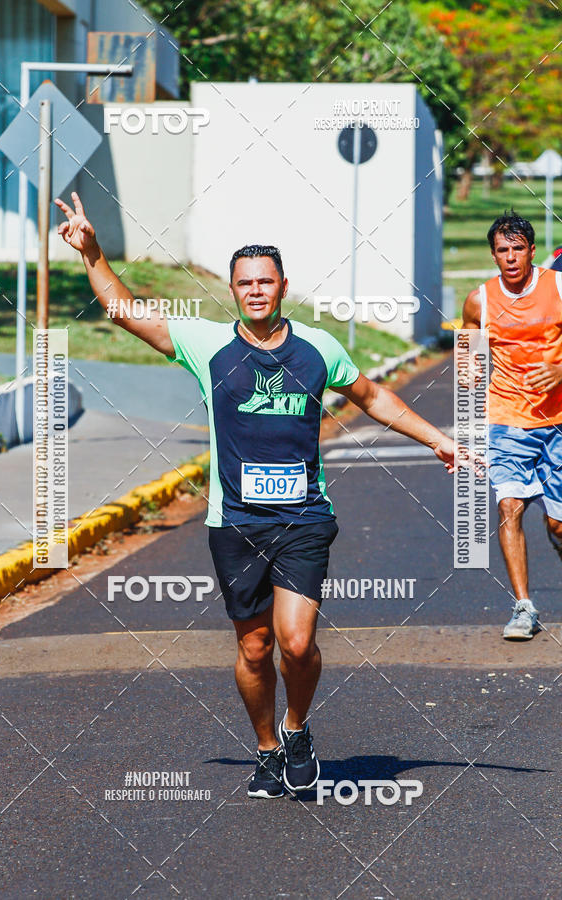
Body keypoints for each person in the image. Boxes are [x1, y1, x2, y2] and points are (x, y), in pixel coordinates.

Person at [56, 191, 457, 799]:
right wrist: (92, 253)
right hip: (235, 521)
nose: (255, 292)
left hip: (304, 518)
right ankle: (267, 746)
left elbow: (373, 398)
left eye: (265, 282)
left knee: (296, 642)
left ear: (283, 286)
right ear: (234, 289)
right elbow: (127, 312)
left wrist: (436, 438)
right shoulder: (206, 343)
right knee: (254, 645)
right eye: (245, 283)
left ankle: (297, 728)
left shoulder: (320, 348)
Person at [462, 210, 562, 640]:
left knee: (558, 524)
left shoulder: (557, 285)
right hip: (505, 419)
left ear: (532, 251)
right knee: (509, 507)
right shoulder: (479, 300)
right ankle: (524, 606)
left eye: (518, 248)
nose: (510, 257)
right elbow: (468, 343)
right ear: (493, 255)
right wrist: (468, 366)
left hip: (558, 419)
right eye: (502, 250)